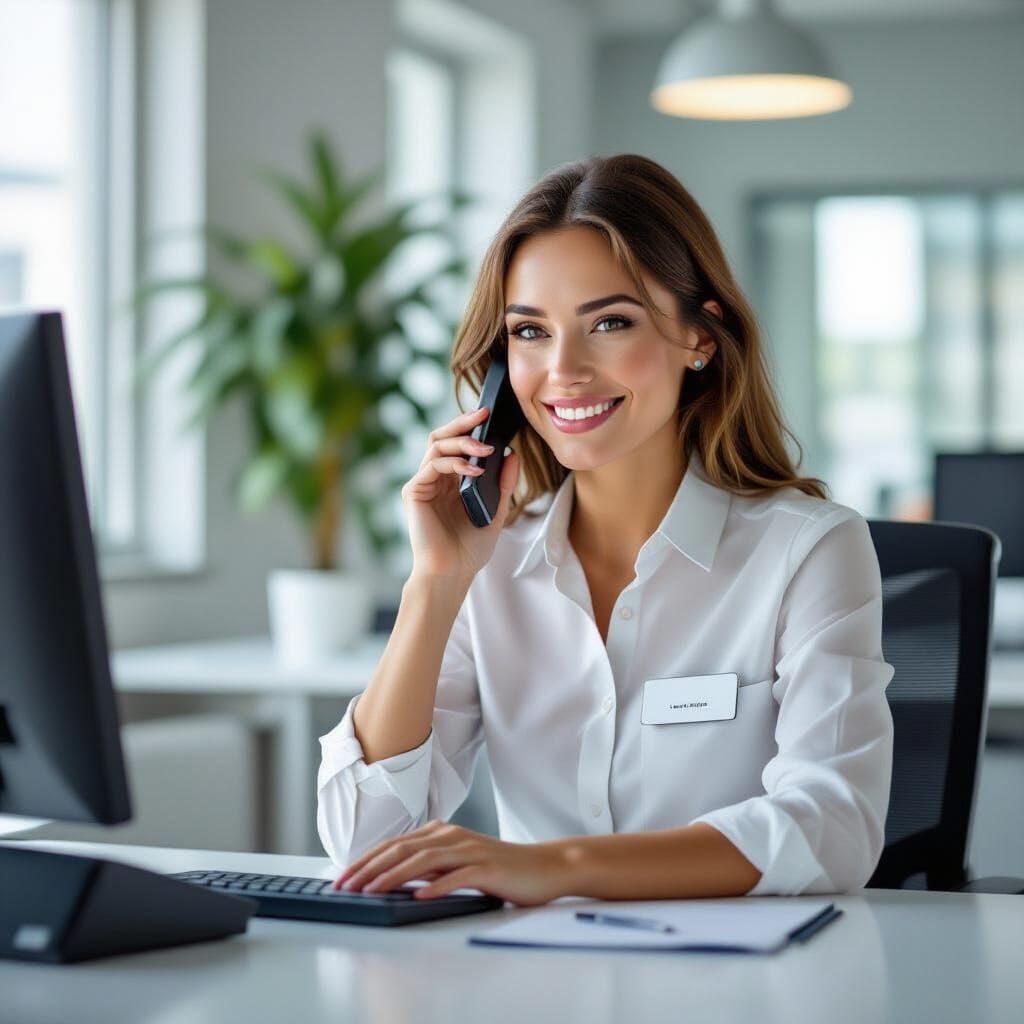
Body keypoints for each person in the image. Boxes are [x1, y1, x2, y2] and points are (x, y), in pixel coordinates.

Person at [316, 153, 895, 907]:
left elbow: (834, 827)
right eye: (530, 332)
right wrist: (436, 583)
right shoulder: (487, 563)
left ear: (701, 338)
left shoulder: (809, 549)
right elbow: (367, 844)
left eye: (610, 322)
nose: (564, 371)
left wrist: (559, 866)